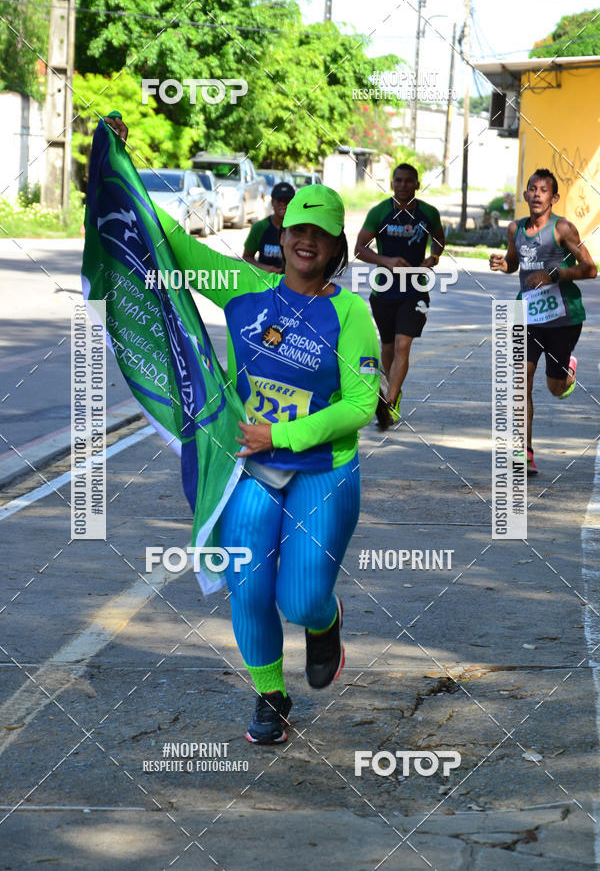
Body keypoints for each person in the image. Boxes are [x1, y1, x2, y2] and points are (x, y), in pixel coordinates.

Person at [104, 116, 380, 745]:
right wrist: (121, 171)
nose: (306, 240)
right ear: (281, 233)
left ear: (337, 246)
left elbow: (363, 403)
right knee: (247, 584)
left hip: (323, 469)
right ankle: (270, 697)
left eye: (321, 233)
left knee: (302, 597)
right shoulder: (246, 289)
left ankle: (324, 622)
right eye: (297, 229)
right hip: (247, 468)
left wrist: (281, 437)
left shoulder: (350, 314)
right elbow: (173, 244)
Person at [490, 168, 597, 473]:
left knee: (555, 387)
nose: (536, 195)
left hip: (563, 318)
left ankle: (567, 370)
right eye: (532, 189)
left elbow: (590, 269)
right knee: (520, 381)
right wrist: (503, 263)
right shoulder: (515, 229)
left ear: (554, 197)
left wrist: (555, 274)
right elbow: (514, 263)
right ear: (525, 194)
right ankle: (525, 452)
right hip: (528, 316)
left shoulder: (562, 228)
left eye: (543, 190)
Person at [355, 163, 445, 426]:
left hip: (415, 290)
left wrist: (434, 257)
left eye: (409, 181)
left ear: (417, 184)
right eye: (399, 180)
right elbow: (360, 248)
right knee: (388, 347)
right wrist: (386, 261)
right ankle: (394, 388)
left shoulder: (428, 213)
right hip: (384, 290)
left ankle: (389, 402)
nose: (403, 185)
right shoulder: (380, 212)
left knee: (403, 345)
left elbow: (439, 238)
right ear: (392, 183)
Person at [242, 181, 295, 273]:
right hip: (265, 282)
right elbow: (247, 257)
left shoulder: (300, 229)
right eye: (279, 200)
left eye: (287, 201)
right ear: (272, 202)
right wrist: (265, 268)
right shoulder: (259, 227)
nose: (283, 204)